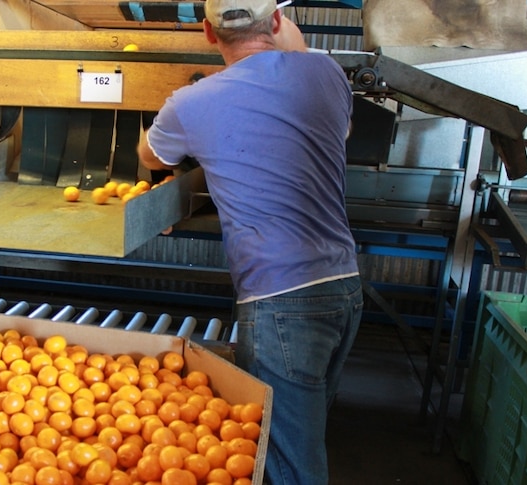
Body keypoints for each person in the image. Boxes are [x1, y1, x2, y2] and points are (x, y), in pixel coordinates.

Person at [136, 1, 363, 483]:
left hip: (279, 300)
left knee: (286, 462)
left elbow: (150, 156)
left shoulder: (191, 102)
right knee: (309, 431)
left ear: (207, 33)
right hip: (343, 287)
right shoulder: (325, 72)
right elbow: (337, 128)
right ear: (278, 23)